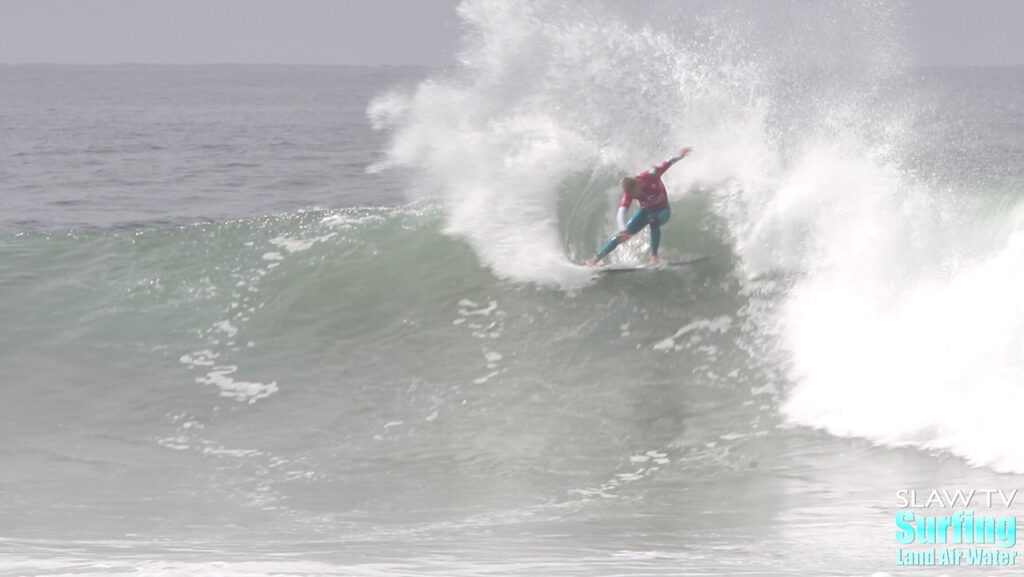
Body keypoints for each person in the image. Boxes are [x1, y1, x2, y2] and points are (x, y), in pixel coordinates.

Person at [587, 147, 693, 266]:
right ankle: (595, 259)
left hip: (663, 210)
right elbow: (622, 211)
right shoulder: (629, 193)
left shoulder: (651, 174)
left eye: (633, 193)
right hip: (644, 212)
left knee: (654, 221)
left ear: (638, 184)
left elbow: (667, 163)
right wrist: (623, 230)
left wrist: (680, 156)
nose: (632, 196)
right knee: (619, 237)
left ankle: (654, 256)